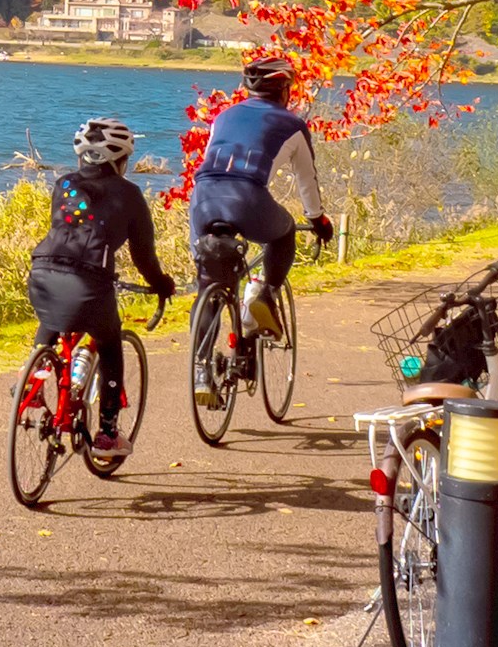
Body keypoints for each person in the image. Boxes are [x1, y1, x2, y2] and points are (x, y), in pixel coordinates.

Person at [27, 116, 173, 449]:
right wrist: (162, 284)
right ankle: (107, 431)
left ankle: (31, 384)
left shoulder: (64, 184)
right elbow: (143, 256)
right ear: (120, 160)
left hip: (42, 273)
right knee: (109, 344)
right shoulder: (131, 195)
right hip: (90, 283)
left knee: (51, 319)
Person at [189, 52, 337, 308]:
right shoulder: (292, 124)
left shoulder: (223, 117)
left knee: (208, 287)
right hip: (247, 198)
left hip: (203, 196)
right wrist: (317, 219)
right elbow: (306, 179)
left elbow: (209, 160)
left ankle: (202, 343)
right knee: (285, 231)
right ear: (284, 90)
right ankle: (267, 297)